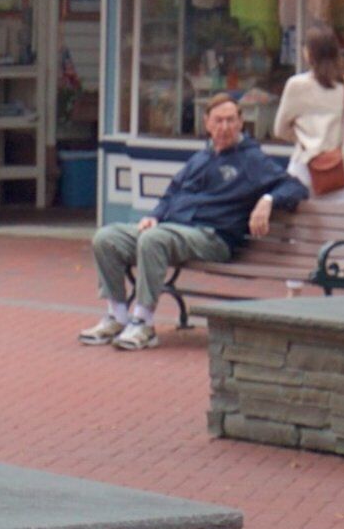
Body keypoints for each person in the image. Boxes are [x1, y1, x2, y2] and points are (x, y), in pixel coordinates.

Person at [80, 95, 300, 351]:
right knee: (106, 238)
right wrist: (155, 215)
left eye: (231, 120)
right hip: (174, 230)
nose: (225, 127)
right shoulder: (201, 157)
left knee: (154, 239)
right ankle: (117, 316)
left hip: (212, 237)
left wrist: (267, 199)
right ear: (207, 123)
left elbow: (294, 186)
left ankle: (143, 323)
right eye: (218, 120)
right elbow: (173, 191)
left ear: (241, 122)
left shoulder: (252, 161)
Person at [266, 28, 344, 188]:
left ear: (309, 53)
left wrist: (304, 139)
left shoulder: (297, 85)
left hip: (304, 166)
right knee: (336, 213)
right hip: (338, 169)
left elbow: (280, 129)